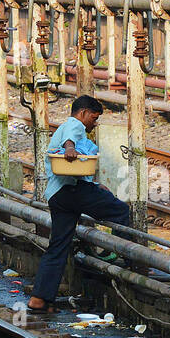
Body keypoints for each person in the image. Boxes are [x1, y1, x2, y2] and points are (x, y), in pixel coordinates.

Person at [27, 95, 131, 312]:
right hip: (72, 192)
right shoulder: (74, 126)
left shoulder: (63, 128)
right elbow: (71, 139)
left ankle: (39, 299)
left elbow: (78, 168)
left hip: (57, 195)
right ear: (83, 113)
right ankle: (124, 258)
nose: (95, 123)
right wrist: (70, 149)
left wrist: (94, 184)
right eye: (94, 118)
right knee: (120, 210)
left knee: (58, 246)